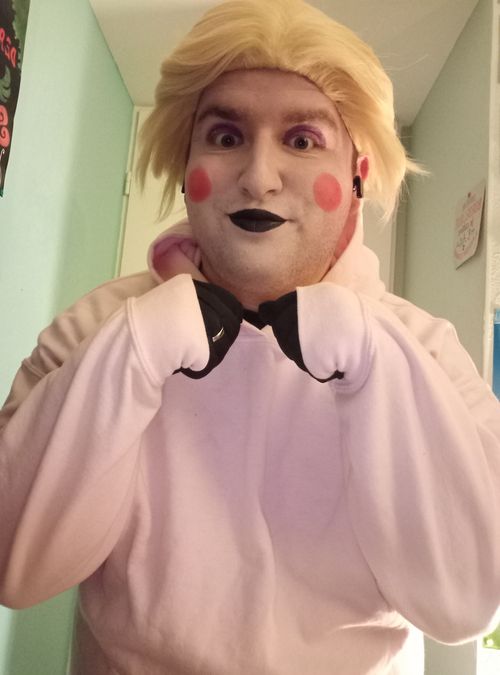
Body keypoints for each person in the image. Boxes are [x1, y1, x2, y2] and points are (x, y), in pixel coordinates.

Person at [1, 0, 499, 672]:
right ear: (186, 166)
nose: (259, 177)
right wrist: (133, 354)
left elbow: (471, 600)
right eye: (226, 136)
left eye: (302, 140)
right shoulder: (94, 329)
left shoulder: (427, 350)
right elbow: (14, 565)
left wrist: (379, 366)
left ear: (356, 175)